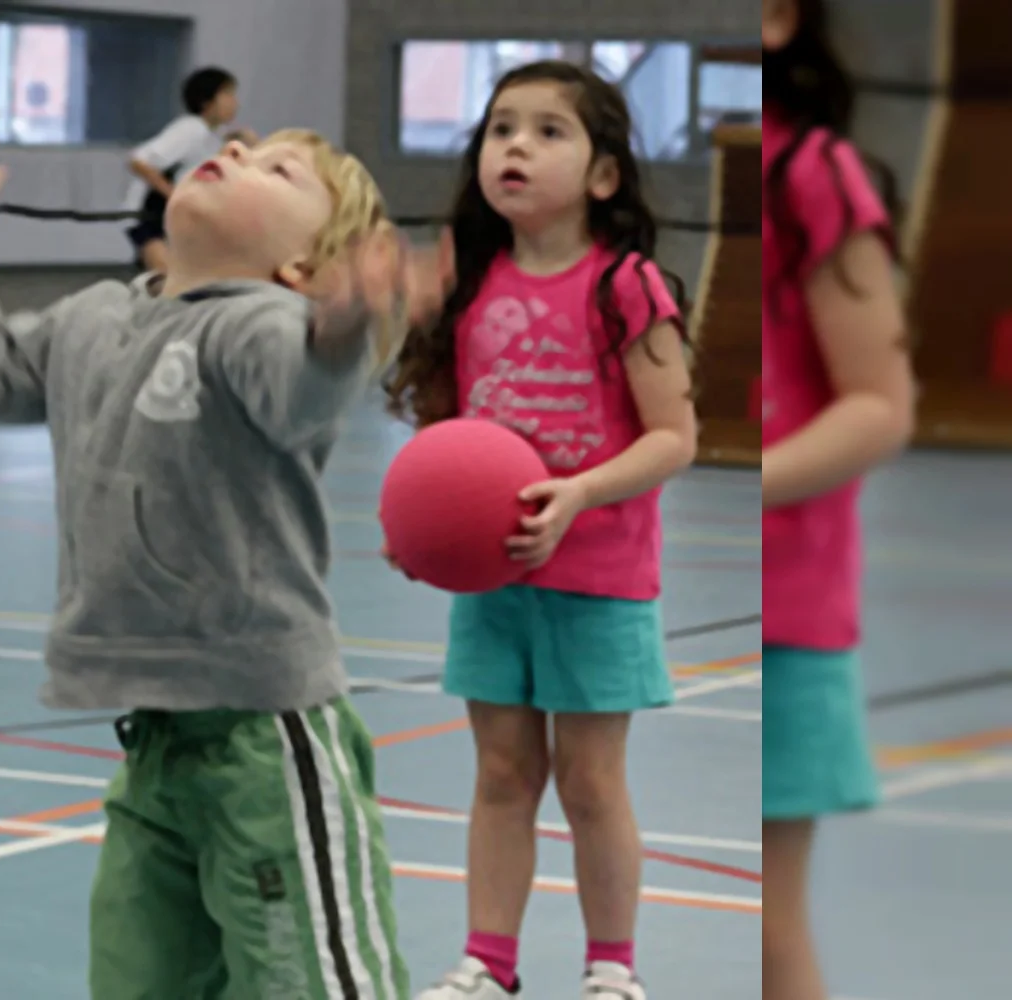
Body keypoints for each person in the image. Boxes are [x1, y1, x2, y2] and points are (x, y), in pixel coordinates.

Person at [0, 110, 450, 999]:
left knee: (308, 981)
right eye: (242, 147)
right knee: (139, 978)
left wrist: (343, 326)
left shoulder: (258, 323)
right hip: (154, 744)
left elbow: (300, 392)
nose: (234, 151)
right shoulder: (93, 317)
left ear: (302, 269)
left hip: (263, 733)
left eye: (276, 171)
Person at [383, 61, 699, 1000]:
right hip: (497, 584)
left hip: (599, 579)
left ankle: (612, 969)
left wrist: (576, 495)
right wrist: (419, 521)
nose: (515, 145)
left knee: (591, 783)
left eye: (547, 131)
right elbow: (450, 432)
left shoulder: (627, 287)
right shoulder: (471, 283)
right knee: (501, 774)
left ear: (603, 175)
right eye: (500, 128)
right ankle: (488, 964)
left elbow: (675, 438)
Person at [760, 2, 917, 998]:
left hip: (788, 611)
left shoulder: (815, 172)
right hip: (625, 590)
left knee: (766, 928)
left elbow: (879, 404)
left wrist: (756, 484)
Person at [124, 66, 255, 273]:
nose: (235, 103)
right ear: (206, 101)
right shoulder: (190, 128)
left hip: (177, 220)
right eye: (228, 95)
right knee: (168, 283)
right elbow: (138, 162)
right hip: (149, 216)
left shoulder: (214, 134)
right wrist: (174, 195)